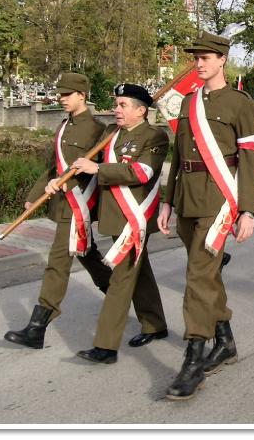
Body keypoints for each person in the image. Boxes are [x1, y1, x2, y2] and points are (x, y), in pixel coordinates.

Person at [157, 31, 254, 401]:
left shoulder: (240, 103)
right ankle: (226, 341)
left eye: (205, 57)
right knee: (207, 275)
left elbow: (248, 160)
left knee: (197, 276)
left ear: (222, 61)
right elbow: (178, 155)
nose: (198, 63)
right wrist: (167, 202)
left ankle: (193, 359)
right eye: (196, 57)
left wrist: (247, 209)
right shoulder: (188, 102)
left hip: (218, 201)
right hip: (186, 198)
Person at [4, 73, 113, 350]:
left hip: (80, 204)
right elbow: (54, 168)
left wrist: (69, 181)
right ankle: (120, 296)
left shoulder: (99, 130)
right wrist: (35, 195)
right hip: (63, 202)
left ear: (82, 95)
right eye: (60, 94)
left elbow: (99, 170)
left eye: (67, 94)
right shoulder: (64, 126)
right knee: (87, 254)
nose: (62, 99)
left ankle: (37, 327)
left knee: (57, 262)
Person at [69, 83, 169, 365]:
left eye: (123, 105)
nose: (116, 110)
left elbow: (142, 171)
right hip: (113, 215)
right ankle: (155, 324)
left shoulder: (155, 136)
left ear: (141, 110)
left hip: (133, 219)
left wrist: (98, 168)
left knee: (121, 281)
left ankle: (106, 346)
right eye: (116, 104)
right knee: (141, 270)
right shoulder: (112, 135)